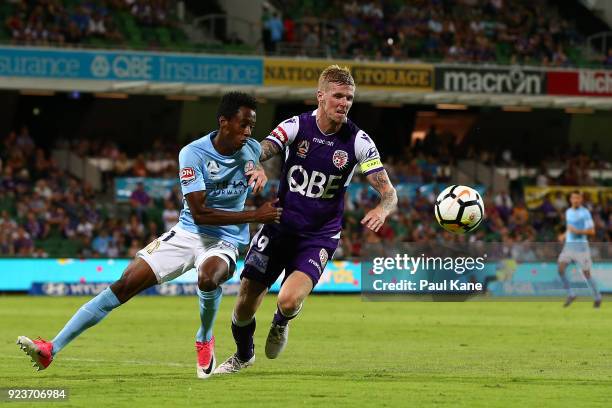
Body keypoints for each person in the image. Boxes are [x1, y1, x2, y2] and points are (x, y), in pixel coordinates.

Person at [17, 92, 282, 379]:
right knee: (124, 284)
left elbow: (257, 158)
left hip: (225, 239)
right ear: (224, 122)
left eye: (251, 127)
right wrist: (255, 215)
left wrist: (259, 171)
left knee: (208, 277)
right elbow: (200, 213)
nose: (248, 132)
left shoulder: (250, 148)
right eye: (243, 124)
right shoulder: (193, 153)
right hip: (188, 231)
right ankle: (51, 349)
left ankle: (204, 337)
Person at [215, 65, 398, 373]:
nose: (344, 103)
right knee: (245, 303)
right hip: (278, 226)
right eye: (338, 96)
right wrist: (254, 165)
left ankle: (281, 323)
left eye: (349, 98)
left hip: (319, 236)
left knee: (287, 300)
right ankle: (243, 355)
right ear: (321, 96)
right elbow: (263, 149)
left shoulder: (359, 142)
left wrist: (383, 208)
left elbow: (389, 193)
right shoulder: (297, 126)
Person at [558, 191, 600, 308]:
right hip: (569, 246)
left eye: (578, 198)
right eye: (573, 198)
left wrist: (577, 231)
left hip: (581, 247)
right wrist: (564, 235)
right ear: (570, 199)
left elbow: (592, 231)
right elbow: (569, 228)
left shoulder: (585, 213)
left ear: (581, 200)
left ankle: (597, 297)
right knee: (560, 269)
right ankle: (571, 294)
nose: (575, 200)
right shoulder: (568, 212)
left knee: (586, 274)